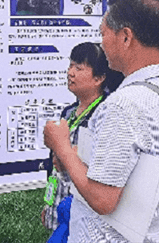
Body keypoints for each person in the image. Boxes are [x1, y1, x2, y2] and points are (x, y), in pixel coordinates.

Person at [44, 0, 159, 242]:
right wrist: (75, 160)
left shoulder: (123, 105)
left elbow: (102, 199)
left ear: (126, 37)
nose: (102, 42)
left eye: (104, 33)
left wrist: (61, 146)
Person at [41, 42, 123, 242]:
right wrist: (48, 204)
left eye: (79, 68)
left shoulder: (103, 117)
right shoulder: (68, 113)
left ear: (99, 78)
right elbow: (54, 165)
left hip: (83, 210)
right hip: (59, 200)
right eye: (70, 66)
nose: (70, 73)